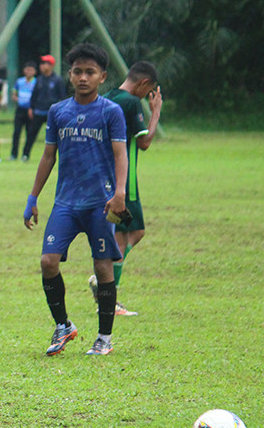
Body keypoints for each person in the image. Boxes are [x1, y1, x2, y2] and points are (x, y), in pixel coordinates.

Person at [23, 43, 129, 357]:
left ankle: (104, 338)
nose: (83, 77)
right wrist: (32, 197)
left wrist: (119, 192)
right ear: (70, 75)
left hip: (100, 203)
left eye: (90, 72)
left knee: (103, 266)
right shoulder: (59, 112)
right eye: (78, 72)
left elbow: (120, 153)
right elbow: (47, 156)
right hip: (66, 202)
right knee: (47, 262)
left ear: (102, 77)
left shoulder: (111, 112)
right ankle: (63, 326)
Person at [89, 61, 164, 316]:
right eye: (149, 90)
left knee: (136, 231)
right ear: (143, 84)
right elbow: (143, 142)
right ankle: (108, 295)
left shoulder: (107, 97)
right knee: (122, 237)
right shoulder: (131, 102)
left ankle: (103, 280)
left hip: (104, 179)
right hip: (124, 184)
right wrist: (155, 113)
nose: (147, 95)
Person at [24, 54, 67, 161]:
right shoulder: (39, 79)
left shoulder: (57, 80)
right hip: (39, 111)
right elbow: (34, 95)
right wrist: (31, 108)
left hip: (52, 113)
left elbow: (62, 97)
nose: (42, 66)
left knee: (57, 136)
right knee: (31, 134)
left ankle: (62, 156)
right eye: (42, 63)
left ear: (51, 65)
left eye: (45, 64)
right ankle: (25, 154)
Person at [10, 61, 38, 160]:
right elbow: (14, 92)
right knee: (16, 132)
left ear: (34, 72)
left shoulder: (36, 82)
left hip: (30, 110)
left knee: (29, 132)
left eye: (31, 70)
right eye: (27, 69)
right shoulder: (20, 81)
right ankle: (13, 154)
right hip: (20, 109)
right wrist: (16, 98)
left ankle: (25, 154)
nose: (29, 72)